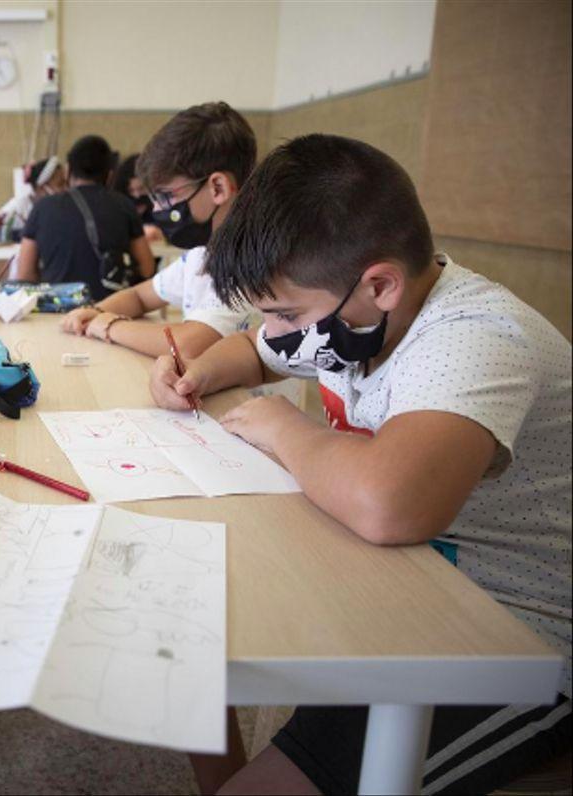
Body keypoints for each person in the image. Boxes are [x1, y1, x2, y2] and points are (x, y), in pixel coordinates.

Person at [150, 134, 571, 795]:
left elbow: (389, 503)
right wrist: (192, 374)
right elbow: (254, 353)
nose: (279, 331)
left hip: (523, 633)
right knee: (194, 616)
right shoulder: (356, 310)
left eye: (286, 312)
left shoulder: (475, 339)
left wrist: (285, 427)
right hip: (420, 577)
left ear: (380, 284)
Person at [61, 103, 256, 358]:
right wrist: (95, 312)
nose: (156, 208)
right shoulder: (202, 254)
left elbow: (189, 345)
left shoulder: (253, 259)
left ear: (217, 188)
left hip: (242, 398)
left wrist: (110, 326)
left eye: (166, 196)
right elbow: (140, 296)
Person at [15, 135, 155, 301]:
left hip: (58, 311)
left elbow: (25, 274)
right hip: (111, 310)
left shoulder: (42, 208)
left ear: (68, 171)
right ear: (110, 175)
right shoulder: (124, 205)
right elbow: (147, 268)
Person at [111, 154, 163, 245]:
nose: (137, 195)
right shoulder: (118, 207)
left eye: (141, 189)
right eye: (131, 190)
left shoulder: (161, 204)